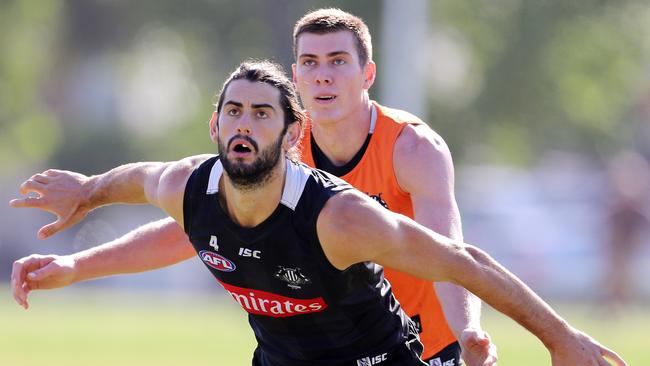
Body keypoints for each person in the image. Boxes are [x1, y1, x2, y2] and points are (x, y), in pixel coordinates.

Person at [10, 60, 626, 366]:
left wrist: (561, 340)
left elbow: (463, 262)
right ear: (214, 125)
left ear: (290, 132)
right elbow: (142, 191)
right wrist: (86, 199)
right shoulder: (187, 186)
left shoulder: (340, 219)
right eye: (234, 112)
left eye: (261, 113)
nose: (244, 126)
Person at [13, 9, 496, 365]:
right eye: (308, 61)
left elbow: (448, 253)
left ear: (367, 73)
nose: (322, 73)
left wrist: (470, 333)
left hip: (415, 348)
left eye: (337, 61)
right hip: (311, 348)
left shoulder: (411, 149)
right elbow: (192, 229)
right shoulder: (275, 148)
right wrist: (77, 265)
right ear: (296, 76)